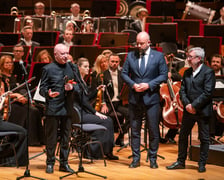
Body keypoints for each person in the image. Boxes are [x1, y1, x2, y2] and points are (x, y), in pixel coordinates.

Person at [121, 31, 168, 168]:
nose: (139, 46)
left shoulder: (158, 56)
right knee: (134, 130)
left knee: (153, 130)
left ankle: (152, 158)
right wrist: (133, 85)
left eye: (142, 43)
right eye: (137, 43)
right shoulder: (130, 56)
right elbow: (124, 74)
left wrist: (148, 85)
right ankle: (136, 159)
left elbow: (163, 76)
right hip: (135, 98)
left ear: (149, 42)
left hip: (151, 98)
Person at [166, 47, 216, 173]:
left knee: (204, 138)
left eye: (190, 57)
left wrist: (194, 105)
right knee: (183, 136)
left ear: (199, 59)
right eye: (188, 56)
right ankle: (180, 161)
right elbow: (182, 91)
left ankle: (202, 163)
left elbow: (207, 92)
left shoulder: (208, 72)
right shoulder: (187, 72)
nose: (188, 59)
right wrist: (187, 105)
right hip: (189, 110)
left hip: (202, 111)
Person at [73, 57, 119, 160]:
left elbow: (87, 97)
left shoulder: (82, 81)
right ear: (79, 68)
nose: (87, 68)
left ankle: (106, 151)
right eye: (85, 66)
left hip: (84, 112)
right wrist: (95, 113)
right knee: (107, 121)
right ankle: (93, 151)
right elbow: (83, 101)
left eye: (88, 66)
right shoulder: (76, 82)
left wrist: (96, 90)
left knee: (108, 120)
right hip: (80, 114)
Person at [39, 44, 76, 174]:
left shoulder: (72, 67)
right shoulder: (48, 69)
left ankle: (64, 163)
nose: (66, 56)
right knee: (52, 137)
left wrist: (72, 88)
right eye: (62, 54)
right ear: (55, 55)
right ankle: (50, 163)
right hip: (53, 107)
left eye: (67, 53)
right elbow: (42, 88)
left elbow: (80, 87)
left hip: (68, 107)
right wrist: (48, 94)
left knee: (66, 137)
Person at [0, 55, 43, 146]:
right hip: (9, 103)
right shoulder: (1, 77)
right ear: (2, 64)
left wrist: (23, 97)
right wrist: (16, 96)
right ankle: (31, 140)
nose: (9, 64)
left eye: (11, 62)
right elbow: (3, 95)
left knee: (36, 110)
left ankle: (39, 139)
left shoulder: (13, 76)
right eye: (6, 63)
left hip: (17, 100)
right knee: (31, 111)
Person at [100, 53, 129, 147]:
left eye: (116, 62)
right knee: (103, 116)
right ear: (108, 62)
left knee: (132, 115)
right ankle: (106, 141)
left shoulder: (122, 74)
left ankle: (120, 137)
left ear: (119, 62)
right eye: (112, 61)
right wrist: (103, 104)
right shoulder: (103, 75)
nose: (114, 63)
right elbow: (101, 92)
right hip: (108, 102)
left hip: (119, 103)